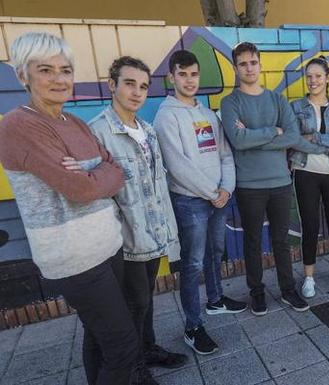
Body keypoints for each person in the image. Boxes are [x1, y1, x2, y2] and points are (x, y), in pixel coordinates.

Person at [0, 32, 138, 385]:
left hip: (108, 245)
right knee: (123, 346)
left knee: (99, 336)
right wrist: (95, 176)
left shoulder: (74, 122)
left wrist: (97, 175)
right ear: (22, 76)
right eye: (45, 70)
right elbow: (79, 189)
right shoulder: (17, 126)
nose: (59, 79)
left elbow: (116, 170)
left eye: (65, 70)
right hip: (74, 257)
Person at [85, 56, 187, 384]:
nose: (137, 92)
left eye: (143, 86)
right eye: (129, 83)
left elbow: (157, 187)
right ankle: (133, 369)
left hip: (152, 234)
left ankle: (147, 348)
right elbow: (94, 192)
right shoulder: (99, 132)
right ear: (112, 85)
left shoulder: (147, 130)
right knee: (134, 303)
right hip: (125, 240)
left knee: (146, 300)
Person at [153, 50, 247, 353]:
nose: (189, 80)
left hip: (218, 197)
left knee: (215, 252)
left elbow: (224, 155)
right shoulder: (166, 116)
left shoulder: (207, 114)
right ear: (172, 77)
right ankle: (193, 327)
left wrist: (226, 190)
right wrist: (213, 193)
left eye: (193, 74)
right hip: (191, 202)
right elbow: (177, 166)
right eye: (183, 74)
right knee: (192, 264)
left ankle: (216, 300)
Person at [220, 42, 311, 315]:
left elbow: (293, 136)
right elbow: (237, 140)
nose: (249, 68)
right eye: (243, 64)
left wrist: (254, 136)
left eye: (253, 62)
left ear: (260, 65)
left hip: (281, 182)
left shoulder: (276, 99)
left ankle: (287, 290)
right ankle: (257, 292)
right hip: (249, 186)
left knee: (281, 240)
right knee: (252, 241)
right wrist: (274, 131)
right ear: (236, 68)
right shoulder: (230, 102)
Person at [290, 56, 329, 297]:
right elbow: (295, 140)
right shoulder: (296, 107)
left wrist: (314, 138)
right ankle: (309, 277)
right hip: (306, 172)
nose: (313, 81)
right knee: (310, 225)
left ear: (327, 78)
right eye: (309, 77)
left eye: (318, 76)